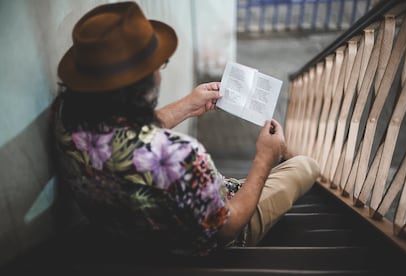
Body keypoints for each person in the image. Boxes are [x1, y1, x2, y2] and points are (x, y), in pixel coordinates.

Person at [51, 1, 320, 257]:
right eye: (158, 66)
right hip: (206, 242)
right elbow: (227, 228)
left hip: (124, 236)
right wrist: (264, 158)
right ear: (142, 85)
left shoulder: (68, 117)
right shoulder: (183, 155)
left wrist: (189, 105)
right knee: (305, 166)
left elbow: (127, 138)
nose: (160, 72)